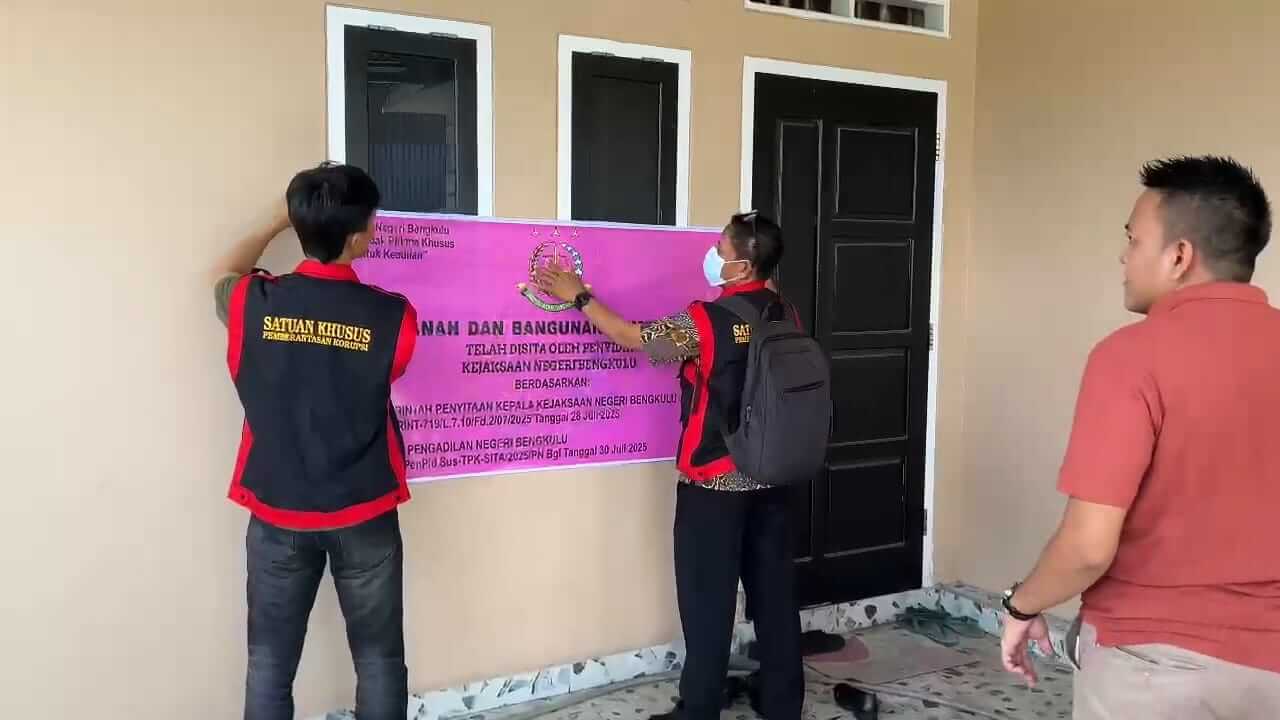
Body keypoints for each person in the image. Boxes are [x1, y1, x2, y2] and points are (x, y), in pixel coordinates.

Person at [999, 156, 1280, 719]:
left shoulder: (1129, 358)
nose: (1124, 256)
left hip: (1153, 666)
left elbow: (1087, 548)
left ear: (1179, 256)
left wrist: (1021, 605)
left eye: (1133, 239)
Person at [534, 212, 805, 720]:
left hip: (715, 483)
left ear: (743, 265)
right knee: (774, 595)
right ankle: (782, 702)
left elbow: (632, 337)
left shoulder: (707, 320)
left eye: (721, 250)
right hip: (775, 477)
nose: (714, 255)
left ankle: (699, 708)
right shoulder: (785, 313)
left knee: (707, 603)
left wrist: (579, 296)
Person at [212, 163, 418, 720]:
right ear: (357, 239)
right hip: (365, 509)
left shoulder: (250, 301)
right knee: (379, 661)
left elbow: (224, 273)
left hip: (276, 508)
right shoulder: (394, 317)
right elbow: (389, 370)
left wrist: (278, 221)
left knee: (269, 665)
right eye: (372, 221)